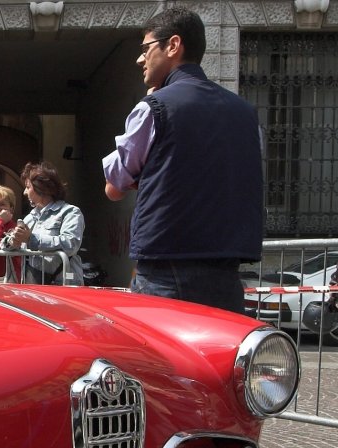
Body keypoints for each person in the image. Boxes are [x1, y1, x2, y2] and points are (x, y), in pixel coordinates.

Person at [102, 6, 261, 314]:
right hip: (226, 270)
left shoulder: (154, 107)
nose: (140, 59)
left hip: (165, 268)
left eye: (146, 48)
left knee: (161, 360)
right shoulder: (245, 113)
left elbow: (114, 186)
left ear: (173, 45)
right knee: (219, 360)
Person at [3, 162, 85, 285]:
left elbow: (71, 243)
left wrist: (31, 239)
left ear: (41, 188)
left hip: (63, 286)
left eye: (28, 187)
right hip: (36, 288)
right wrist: (12, 241)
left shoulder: (70, 212)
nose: (25, 192)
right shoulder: (30, 218)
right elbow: (6, 244)